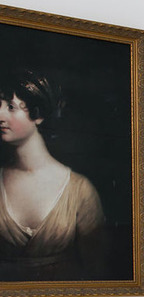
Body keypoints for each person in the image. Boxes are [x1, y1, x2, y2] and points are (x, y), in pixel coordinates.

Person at [0, 68, 105, 282]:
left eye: (11, 107)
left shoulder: (80, 189)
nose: (0, 115)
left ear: (38, 115)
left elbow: (97, 269)